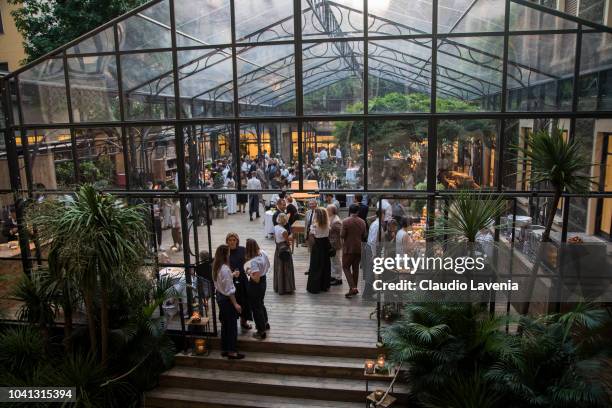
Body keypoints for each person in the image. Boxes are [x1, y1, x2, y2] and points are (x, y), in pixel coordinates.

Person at [212, 244, 245, 360]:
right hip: (226, 300)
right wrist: (236, 304)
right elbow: (229, 290)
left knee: (225, 325)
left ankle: (225, 349)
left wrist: (232, 275)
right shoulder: (225, 269)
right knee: (231, 326)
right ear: (226, 254)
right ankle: (232, 352)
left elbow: (222, 282)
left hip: (220, 297)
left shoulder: (216, 267)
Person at [226, 233, 253, 331]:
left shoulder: (242, 249)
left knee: (245, 300)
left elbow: (248, 261)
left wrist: (248, 269)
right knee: (233, 301)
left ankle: (244, 321)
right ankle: (232, 322)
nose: (232, 242)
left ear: (237, 241)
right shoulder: (225, 252)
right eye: (230, 240)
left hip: (242, 278)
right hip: (230, 279)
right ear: (227, 241)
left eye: (234, 240)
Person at [245, 239, 270, 340]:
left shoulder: (254, 261)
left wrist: (249, 272)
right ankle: (265, 323)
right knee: (261, 303)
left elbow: (256, 279)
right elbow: (268, 266)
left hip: (256, 285)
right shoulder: (263, 253)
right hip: (264, 281)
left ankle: (261, 331)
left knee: (256, 308)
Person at [341, 204, 366, 298]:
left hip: (348, 248)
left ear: (349, 211)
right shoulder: (363, 222)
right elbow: (364, 235)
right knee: (355, 269)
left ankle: (353, 287)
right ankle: (353, 289)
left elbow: (342, 235)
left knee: (345, 267)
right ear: (358, 212)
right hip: (359, 248)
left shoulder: (345, 221)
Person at [307, 207, 332, 294]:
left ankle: (315, 287)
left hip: (317, 246)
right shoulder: (327, 225)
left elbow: (311, 237)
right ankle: (324, 286)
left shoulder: (314, 226)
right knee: (325, 265)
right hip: (325, 245)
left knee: (316, 266)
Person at [273, 213, 295, 295]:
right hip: (284, 249)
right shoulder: (284, 231)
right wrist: (291, 237)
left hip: (278, 248)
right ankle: (287, 288)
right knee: (286, 268)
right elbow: (288, 242)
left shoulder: (275, 227)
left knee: (279, 268)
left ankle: (279, 287)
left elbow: (275, 239)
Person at [327, 204, 343, 286]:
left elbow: (339, 233)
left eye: (328, 210)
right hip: (331, 243)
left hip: (336, 244)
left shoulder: (337, 221)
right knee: (333, 261)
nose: (327, 211)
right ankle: (333, 276)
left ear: (332, 211)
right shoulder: (331, 218)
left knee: (337, 261)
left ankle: (339, 278)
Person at [303, 198, 318, 274]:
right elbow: (306, 225)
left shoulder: (319, 212)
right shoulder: (307, 212)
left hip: (316, 236)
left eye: (313, 204)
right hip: (309, 236)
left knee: (316, 253)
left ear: (316, 204)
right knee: (311, 253)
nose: (311, 205)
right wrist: (305, 235)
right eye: (310, 204)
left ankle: (315, 269)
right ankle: (311, 268)